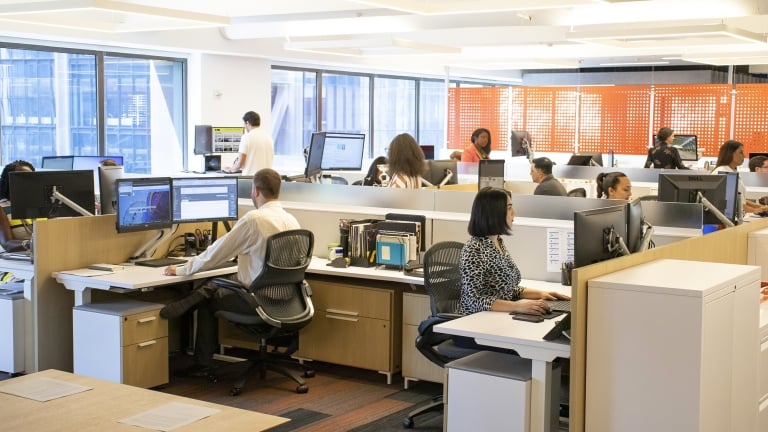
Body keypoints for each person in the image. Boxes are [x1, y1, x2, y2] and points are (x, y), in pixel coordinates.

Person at [159, 168, 300, 377]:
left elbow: (216, 254)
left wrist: (181, 269)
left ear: (256, 190)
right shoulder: (291, 220)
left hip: (257, 299)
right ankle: (191, 300)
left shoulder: (254, 219)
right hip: (285, 299)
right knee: (221, 281)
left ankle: (202, 364)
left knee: (210, 298)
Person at [458, 187, 569, 316]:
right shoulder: (474, 250)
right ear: (495, 212)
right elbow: (474, 300)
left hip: (498, 316)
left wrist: (541, 294)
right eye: (509, 208)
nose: (514, 213)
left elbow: (506, 290)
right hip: (475, 321)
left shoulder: (497, 242)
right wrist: (518, 306)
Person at [711, 140, 767, 215]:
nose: (743, 156)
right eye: (740, 152)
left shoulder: (733, 171)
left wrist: (760, 207)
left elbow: (741, 200)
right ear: (730, 154)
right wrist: (754, 210)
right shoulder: (723, 173)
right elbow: (731, 204)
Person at [224, 111, 274, 175]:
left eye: (244, 124)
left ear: (247, 123)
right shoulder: (268, 137)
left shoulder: (247, 137)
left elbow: (240, 163)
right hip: (267, 178)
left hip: (251, 179)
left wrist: (231, 169)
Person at [0, 160, 35, 252]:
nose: (27, 183)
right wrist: (32, 244)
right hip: (21, 259)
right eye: (22, 179)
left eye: (30, 178)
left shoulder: (44, 205)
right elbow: (7, 244)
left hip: (50, 255)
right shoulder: (2, 208)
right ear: (8, 182)